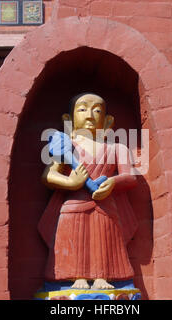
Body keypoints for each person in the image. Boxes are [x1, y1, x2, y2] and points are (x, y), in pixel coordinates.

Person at [39, 93, 138, 290]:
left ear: (108, 121)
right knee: (75, 239)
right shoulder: (67, 146)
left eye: (97, 110)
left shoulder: (117, 148)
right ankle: (77, 277)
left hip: (105, 205)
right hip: (73, 206)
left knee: (104, 239)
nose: (90, 114)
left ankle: (103, 277)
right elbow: (48, 175)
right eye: (82, 109)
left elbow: (130, 177)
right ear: (68, 119)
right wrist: (71, 182)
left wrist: (112, 182)